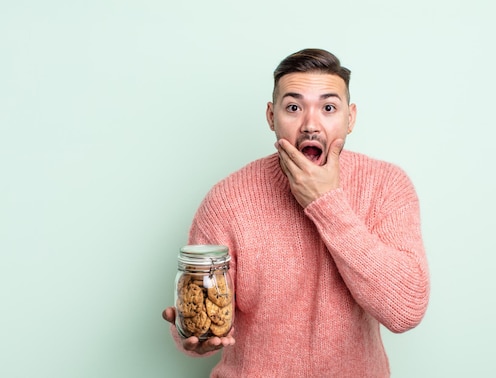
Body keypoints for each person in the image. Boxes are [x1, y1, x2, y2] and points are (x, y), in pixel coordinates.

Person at [162, 48, 430, 377]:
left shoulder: (387, 186)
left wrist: (326, 202)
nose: (310, 125)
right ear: (271, 116)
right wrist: (194, 338)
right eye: (293, 107)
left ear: (351, 118)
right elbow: (204, 312)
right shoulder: (227, 199)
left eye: (329, 107)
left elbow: (405, 310)